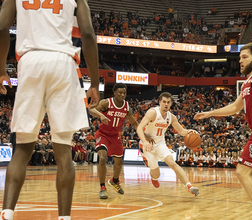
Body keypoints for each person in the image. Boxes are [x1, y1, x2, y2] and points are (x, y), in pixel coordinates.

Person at [0, 0, 100, 218]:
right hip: (63, 62)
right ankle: (64, 217)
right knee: (63, 150)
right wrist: (94, 83)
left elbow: (1, 27)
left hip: (30, 61)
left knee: (23, 148)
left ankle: (6, 214)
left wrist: (1, 70)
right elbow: (89, 35)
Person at [194, 42, 252, 220]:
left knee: (243, 171)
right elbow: (235, 107)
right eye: (240, 57)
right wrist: (210, 113)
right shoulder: (247, 82)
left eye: (244, 57)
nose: (240, 61)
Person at [89, 83, 153, 199]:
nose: (122, 95)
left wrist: (143, 135)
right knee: (102, 158)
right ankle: (102, 187)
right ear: (114, 93)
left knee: (119, 163)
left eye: (124, 93)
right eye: (120, 92)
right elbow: (91, 109)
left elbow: (133, 122)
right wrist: (101, 115)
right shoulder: (106, 103)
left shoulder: (127, 107)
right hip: (103, 134)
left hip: (115, 136)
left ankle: (115, 181)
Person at [136, 92, 199, 196]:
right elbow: (139, 128)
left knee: (172, 163)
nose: (166, 104)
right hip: (147, 145)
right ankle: (153, 176)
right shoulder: (152, 113)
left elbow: (182, 132)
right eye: (164, 102)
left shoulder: (171, 117)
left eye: (168, 102)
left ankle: (189, 186)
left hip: (160, 144)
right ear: (159, 102)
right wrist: (145, 142)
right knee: (156, 174)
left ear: (171, 104)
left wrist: (191, 131)